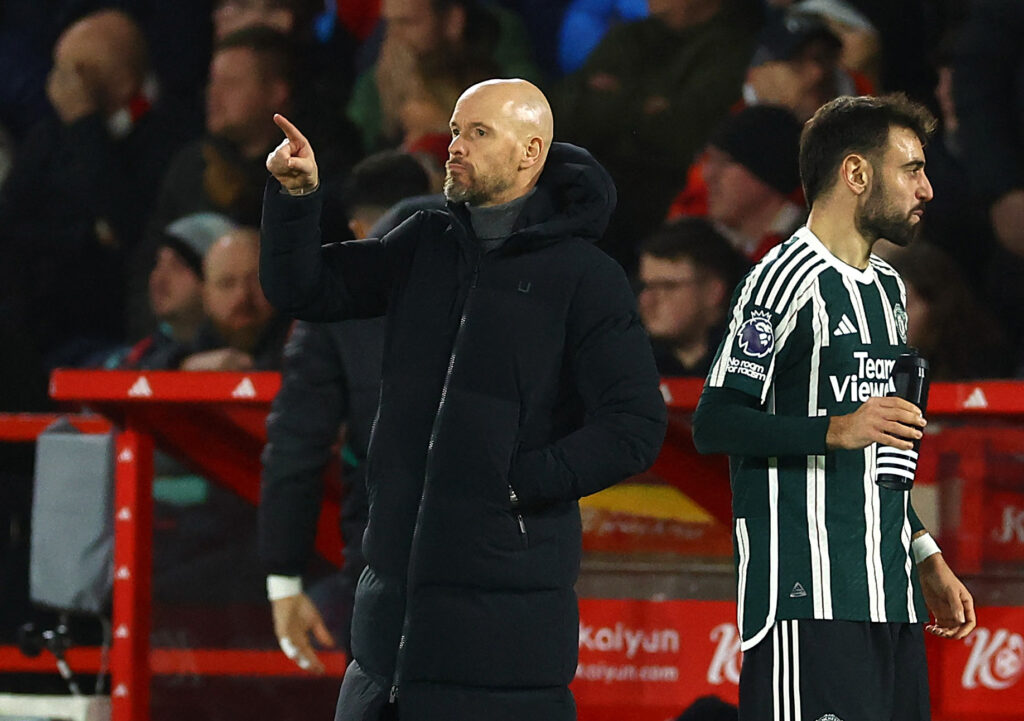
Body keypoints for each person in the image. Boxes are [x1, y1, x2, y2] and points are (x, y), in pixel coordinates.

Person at [261, 78, 667, 719]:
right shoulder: (422, 243)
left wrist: (513, 483)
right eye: (454, 130)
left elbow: (635, 425)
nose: (456, 146)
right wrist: (296, 197)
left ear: (530, 152)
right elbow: (307, 289)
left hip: (503, 640)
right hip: (383, 645)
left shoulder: (585, 277)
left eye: (479, 133)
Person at [692, 94, 976, 720]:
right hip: (805, 599)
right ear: (856, 174)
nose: (926, 188)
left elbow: (885, 459)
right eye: (911, 169)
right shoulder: (782, 278)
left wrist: (925, 557)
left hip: (890, 599)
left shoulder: (888, 291)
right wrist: (835, 429)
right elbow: (714, 421)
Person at [260, 149, 433, 665]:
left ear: (360, 227)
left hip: (387, 555)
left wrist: (283, 579)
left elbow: (296, 446)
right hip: (511, 560)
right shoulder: (517, 277)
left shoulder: (336, 304)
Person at [0, 8, 188, 368]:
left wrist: (85, 126)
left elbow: (131, 227)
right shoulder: (48, 138)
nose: (60, 86)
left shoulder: (169, 134)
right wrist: (86, 235)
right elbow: (14, 227)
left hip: (115, 326)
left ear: (123, 81)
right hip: (40, 323)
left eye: (77, 73)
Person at [555, 0, 755, 268]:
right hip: (593, 187)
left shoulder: (734, 47)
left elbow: (680, 136)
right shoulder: (627, 37)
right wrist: (644, 105)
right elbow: (563, 112)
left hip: (664, 201)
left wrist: (613, 99)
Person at [670, 104, 806, 262]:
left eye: (723, 162)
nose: (708, 175)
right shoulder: (709, 252)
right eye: (709, 161)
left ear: (766, 170)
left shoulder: (814, 246)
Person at [114, 212, 239, 369]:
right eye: (158, 263)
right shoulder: (146, 352)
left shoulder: (243, 344)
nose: (158, 279)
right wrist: (180, 365)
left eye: (177, 266)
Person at [637, 218, 749, 377]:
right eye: (646, 287)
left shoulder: (760, 364)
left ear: (713, 292)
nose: (647, 301)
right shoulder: (628, 365)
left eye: (668, 286)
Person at [181, 228, 290, 371]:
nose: (242, 295)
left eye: (256, 280)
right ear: (206, 296)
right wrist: (182, 367)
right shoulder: (197, 344)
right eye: (227, 283)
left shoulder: (307, 341)